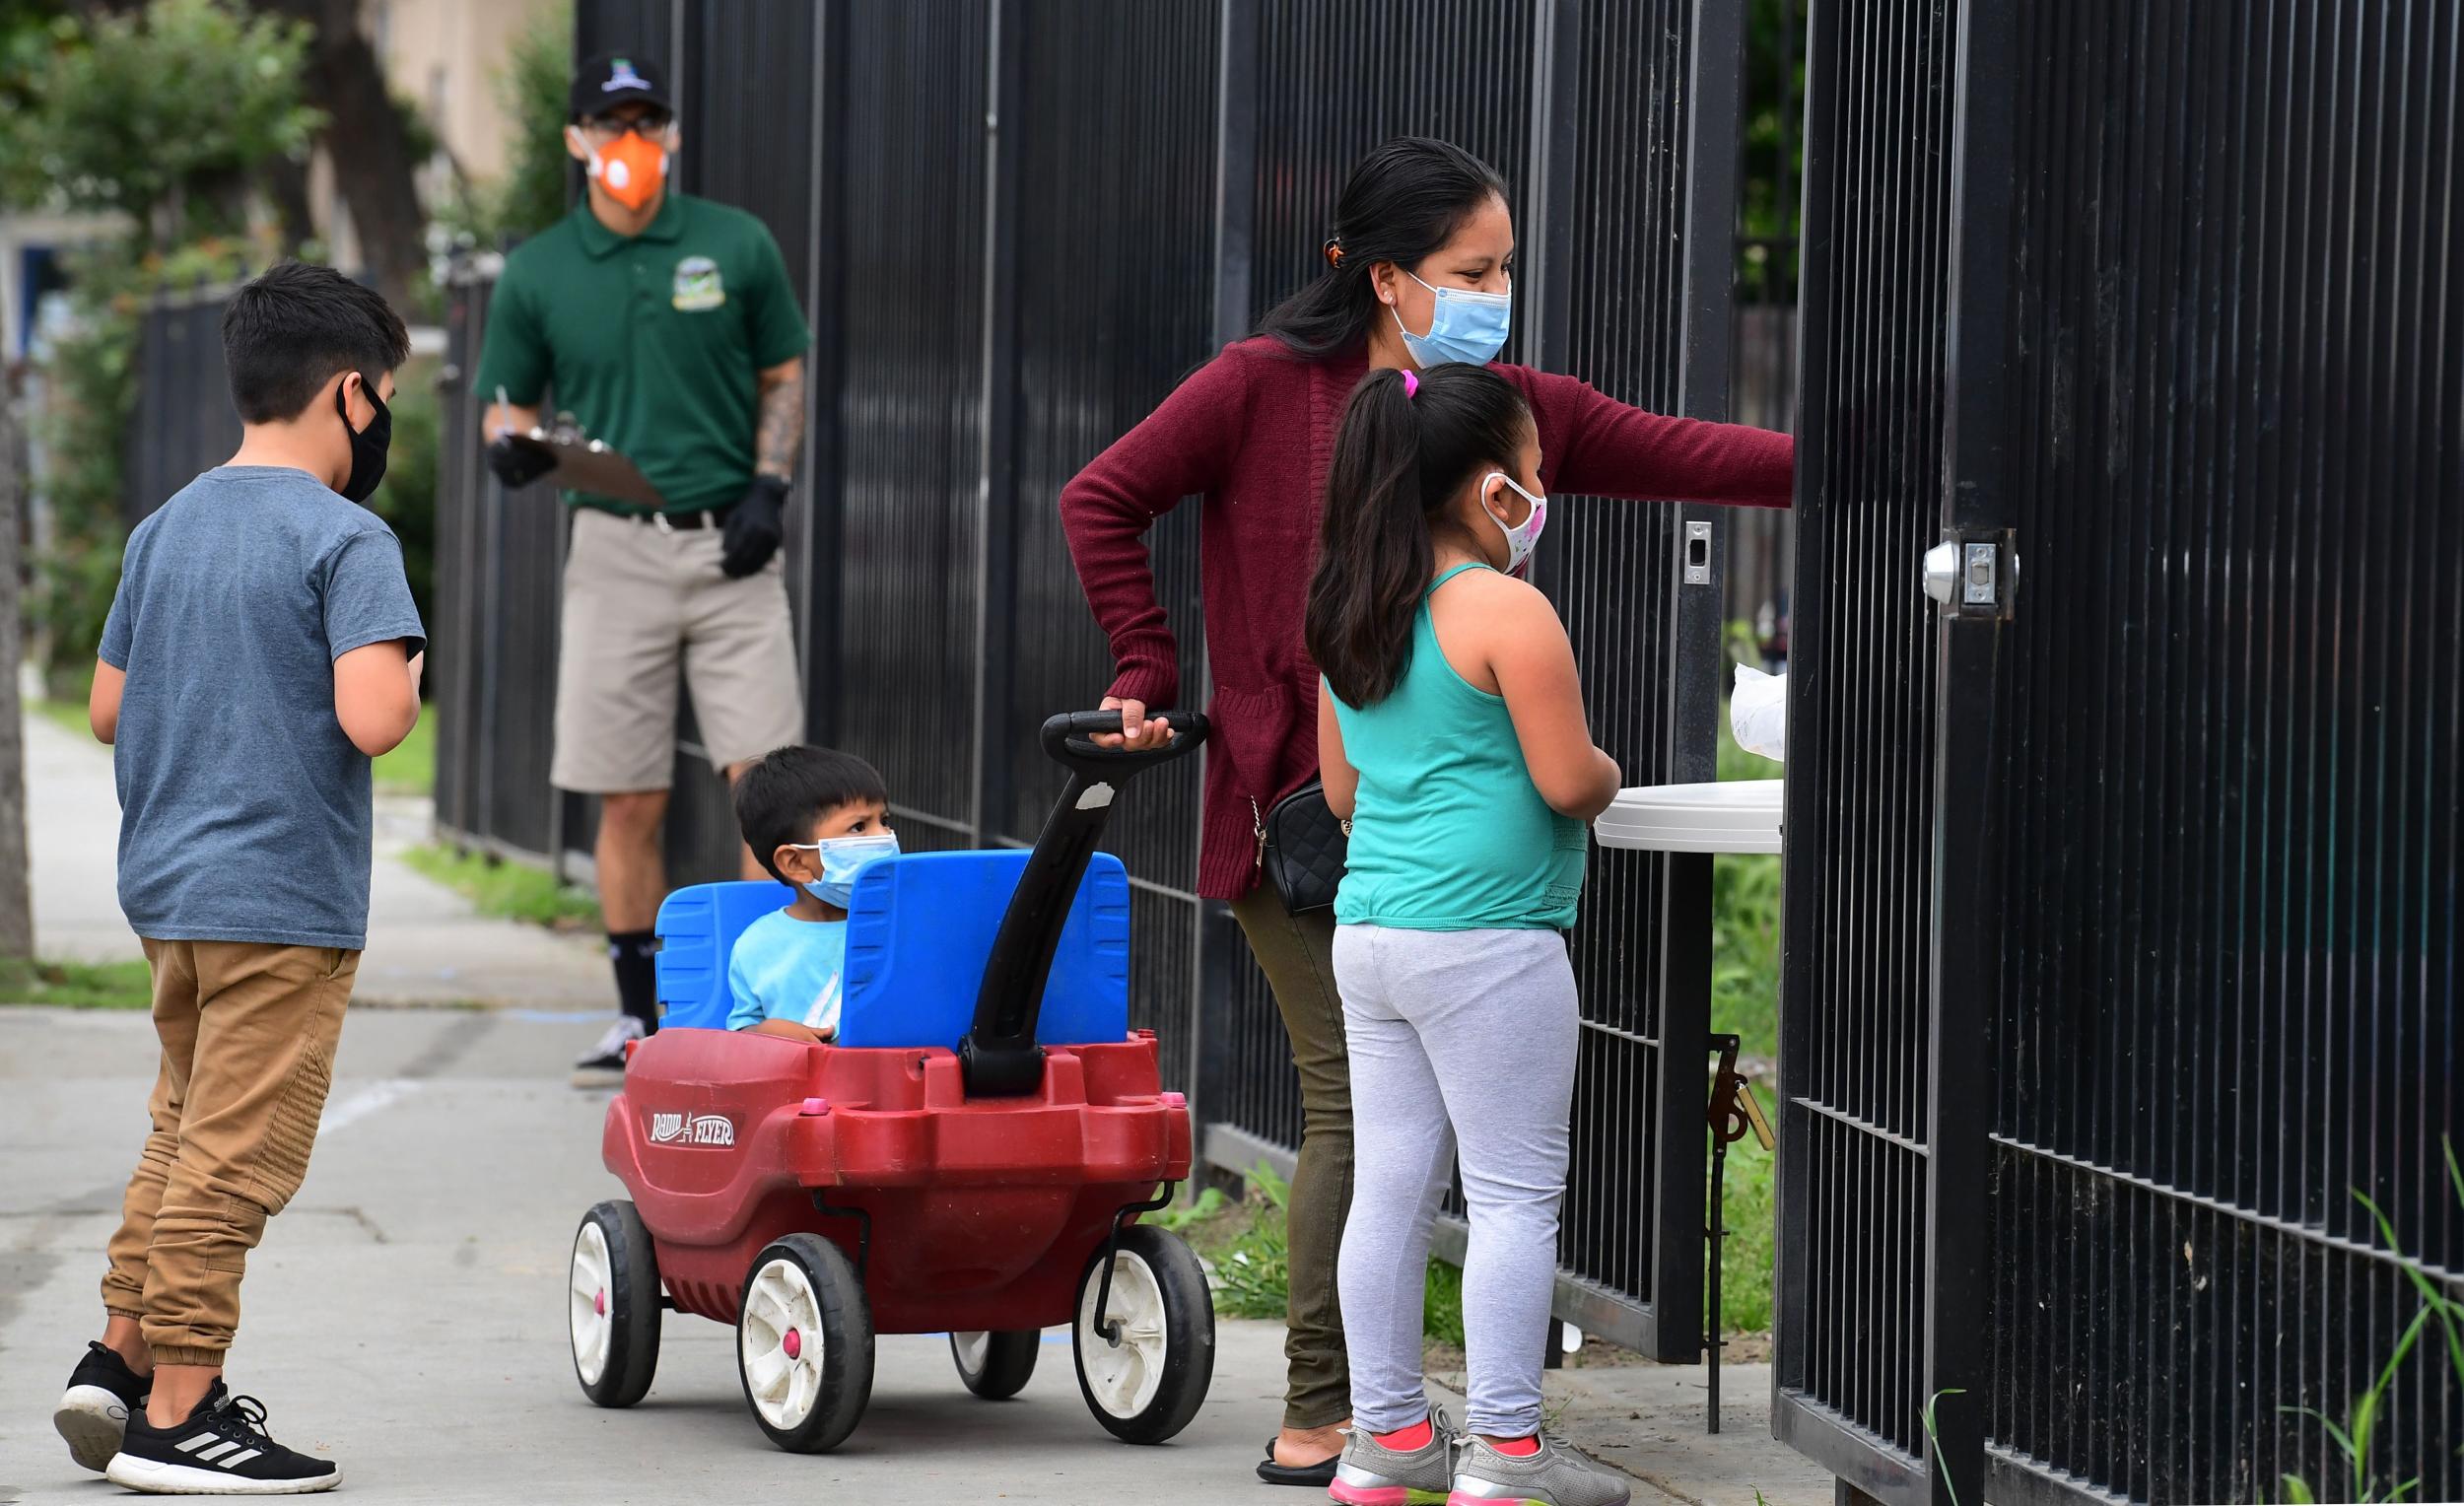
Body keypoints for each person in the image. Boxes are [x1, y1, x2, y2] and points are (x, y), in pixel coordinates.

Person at [1057, 136, 1793, 1485]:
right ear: (1388, 276)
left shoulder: (1491, 409)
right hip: (1311, 839)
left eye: (1505, 267)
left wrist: (1869, 468)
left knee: (1387, 1145)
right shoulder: (1265, 391)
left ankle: (1378, 1432)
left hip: (1381, 852)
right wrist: (1149, 668)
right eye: (1474, 270)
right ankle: (1342, 1414)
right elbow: (1100, 497)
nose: (1498, 290)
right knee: (1386, 1136)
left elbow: (1698, 451)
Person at [52, 262, 424, 1495]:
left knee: (178, 1132)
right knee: (237, 1156)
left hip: (169, 895)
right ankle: (180, 1408)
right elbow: (375, 719)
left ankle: (115, 1358)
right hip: (284, 904)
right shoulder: (348, 536)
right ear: (353, 395)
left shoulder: (166, 526)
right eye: (388, 398)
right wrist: (403, 662)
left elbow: (107, 707)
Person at [1312, 364, 1625, 1506]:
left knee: (1389, 1184)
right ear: (1491, 488)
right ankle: (1506, 1455)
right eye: (1534, 469)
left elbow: (1342, 797)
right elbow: (1567, 780)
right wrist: (1608, 770)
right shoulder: (1505, 609)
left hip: (1372, 935)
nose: (1542, 488)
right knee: (1509, 1196)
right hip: (1490, 945)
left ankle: (1385, 1444)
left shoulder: (1349, 604)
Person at [472, 51, 814, 1086]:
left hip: (732, 546)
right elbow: (506, 401)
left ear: (669, 134)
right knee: (627, 796)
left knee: (767, 785)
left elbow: (782, 373)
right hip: (615, 546)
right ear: (577, 140)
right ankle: (636, 1016)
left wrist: (770, 487)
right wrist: (508, 443)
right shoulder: (539, 270)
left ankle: (769, 1006)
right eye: (610, 124)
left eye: (647, 121)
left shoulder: (732, 242)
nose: (631, 142)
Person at [724, 745, 899, 1043]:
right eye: (858, 827)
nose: (884, 837)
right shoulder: (756, 947)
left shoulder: (908, 923)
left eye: (883, 820)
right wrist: (772, 1033)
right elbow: (740, 1035)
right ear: (796, 863)